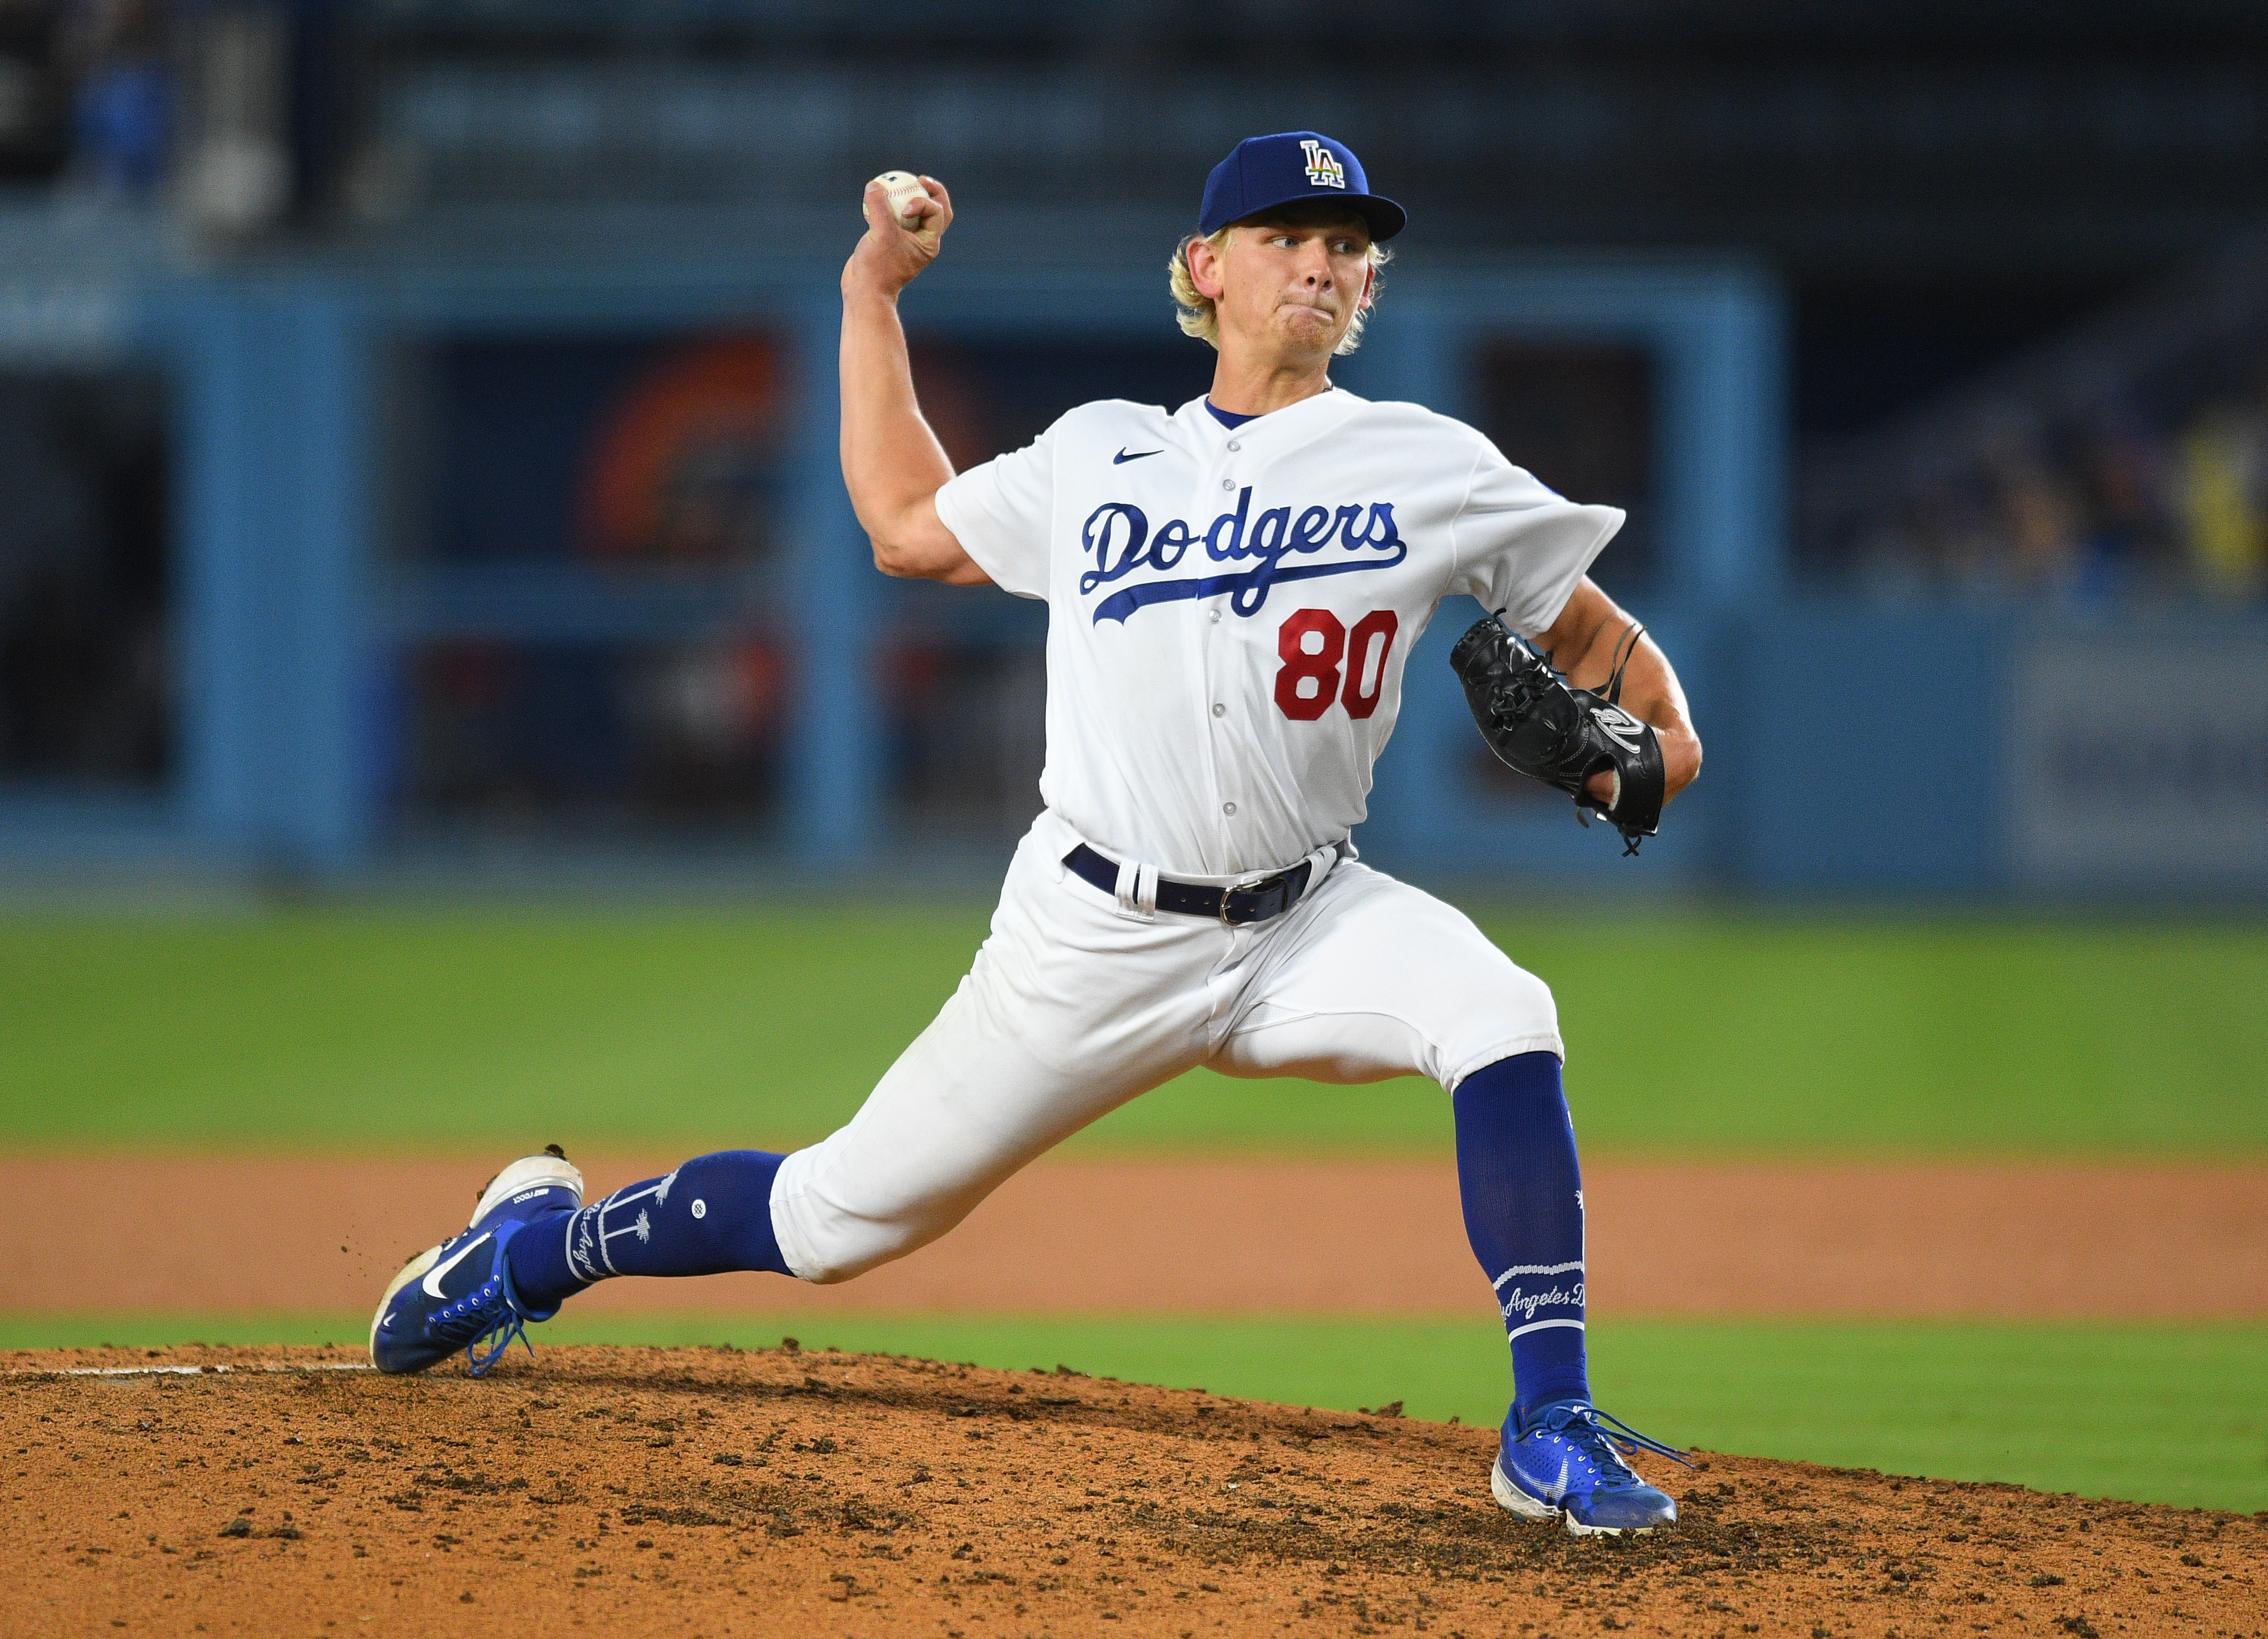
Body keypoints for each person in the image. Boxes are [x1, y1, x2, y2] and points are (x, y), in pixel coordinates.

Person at [371, 131, 1706, 1536]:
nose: (1320, 261)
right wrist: (870, 299)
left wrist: (1663, 753)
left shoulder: (1426, 461)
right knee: (837, 1219)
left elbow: (1591, 631)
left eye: (1345, 243)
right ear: (1206, 269)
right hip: (1091, 930)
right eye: (1284, 234)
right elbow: (899, 524)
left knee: (1500, 1009)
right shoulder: (1099, 454)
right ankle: (535, 1249)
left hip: (1308, 917)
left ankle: (1546, 1425)